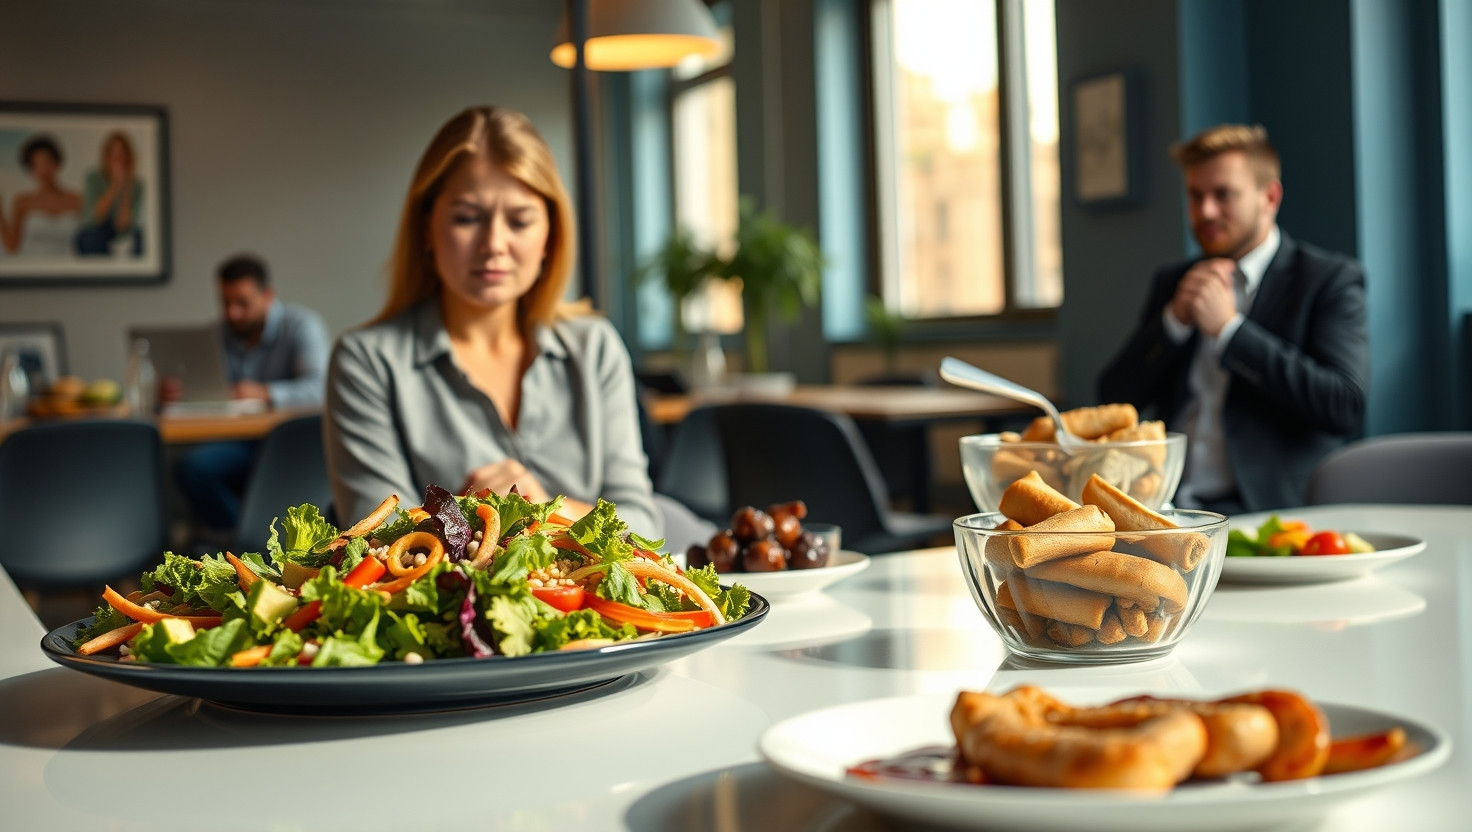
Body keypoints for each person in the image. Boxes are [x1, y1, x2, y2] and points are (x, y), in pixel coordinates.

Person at [324, 106, 661, 539]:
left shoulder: (595, 346)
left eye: (520, 221)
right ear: (427, 226)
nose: (494, 245)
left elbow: (644, 524)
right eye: (467, 218)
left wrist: (542, 511)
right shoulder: (366, 359)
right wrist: (474, 513)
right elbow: (376, 536)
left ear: (549, 236)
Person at [1097, 124, 1369, 514]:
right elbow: (1113, 398)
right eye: (1195, 196)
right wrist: (1173, 322)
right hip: (1163, 508)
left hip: (1269, 512)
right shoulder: (1174, 283)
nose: (1206, 211)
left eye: (1223, 195)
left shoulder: (1329, 280)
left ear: (1269, 196)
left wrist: (1230, 332)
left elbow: (1343, 405)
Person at [173, 255, 331, 538]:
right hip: (238, 441)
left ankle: (247, 542)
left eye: (242, 303)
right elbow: (206, 394)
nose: (232, 312)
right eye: (226, 302)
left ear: (267, 296)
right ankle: (247, 541)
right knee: (192, 468)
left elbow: (320, 388)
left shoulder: (301, 326)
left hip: (292, 445)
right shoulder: (217, 333)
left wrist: (265, 392)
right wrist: (179, 392)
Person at [0, 134, 84, 257]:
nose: (42, 170)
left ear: (57, 163)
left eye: (46, 163)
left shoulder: (77, 199)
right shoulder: (23, 201)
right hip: (33, 269)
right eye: (36, 165)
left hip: (69, 268)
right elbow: (12, 246)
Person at [75, 131, 144, 256]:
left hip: (119, 234)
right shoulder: (94, 178)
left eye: (122, 157)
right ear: (106, 157)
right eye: (114, 156)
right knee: (91, 238)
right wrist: (114, 186)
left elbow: (124, 226)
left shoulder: (136, 185)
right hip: (95, 231)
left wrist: (125, 188)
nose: (118, 162)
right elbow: (93, 219)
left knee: (139, 238)